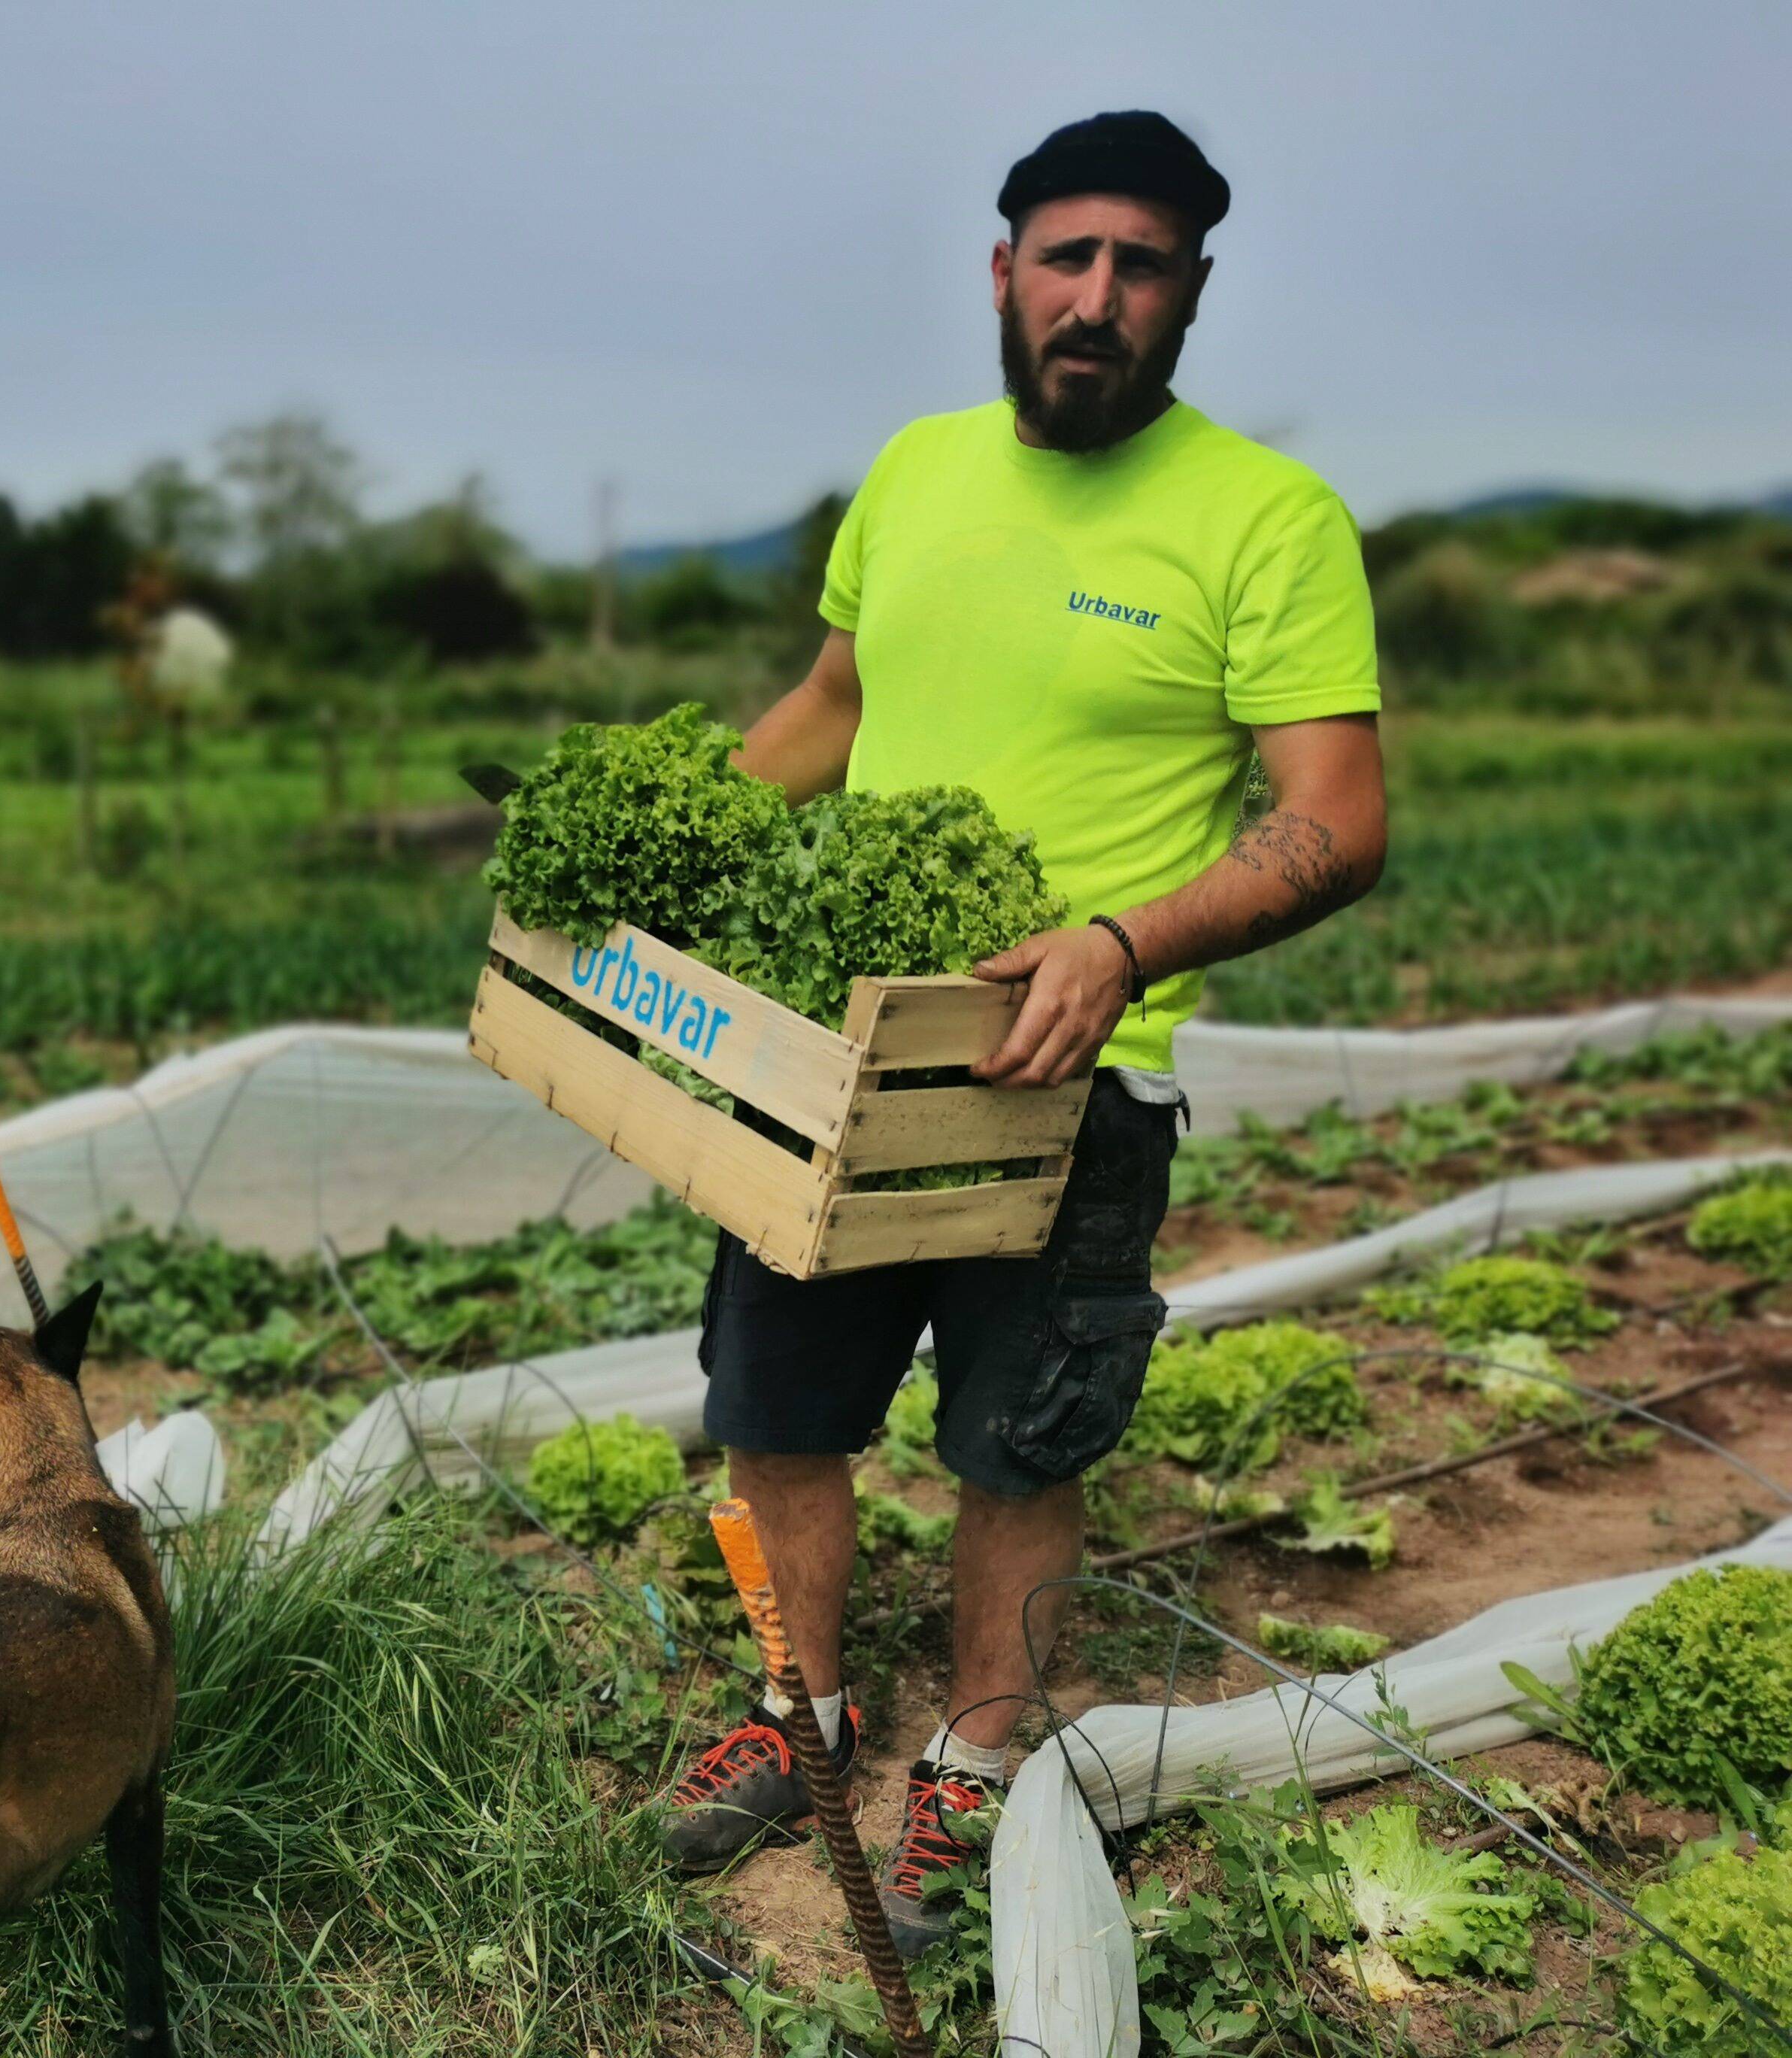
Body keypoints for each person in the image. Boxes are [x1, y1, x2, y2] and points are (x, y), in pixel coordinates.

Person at [660, 110, 1390, 1958]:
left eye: (1140, 267)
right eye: (1066, 259)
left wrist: (1123, 943)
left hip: (1076, 1093)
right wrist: (682, 854)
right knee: (780, 1412)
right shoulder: (911, 473)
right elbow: (832, 700)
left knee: (1017, 1448)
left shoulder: (1268, 520)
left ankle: (975, 1763)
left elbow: (1337, 816)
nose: (1097, 298)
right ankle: (800, 1715)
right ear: (1002, 274)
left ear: (1191, 295)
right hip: (848, 1061)